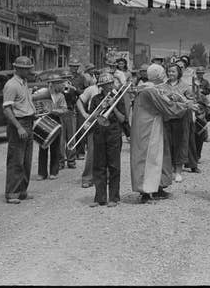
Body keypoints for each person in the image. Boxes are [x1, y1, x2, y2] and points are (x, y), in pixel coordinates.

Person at [130, 64, 197, 203]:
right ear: (158, 75)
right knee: (148, 159)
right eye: (162, 73)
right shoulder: (150, 91)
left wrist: (174, 97)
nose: (164, 75)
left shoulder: (150, 88)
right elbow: (167, 107)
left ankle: (158, 187)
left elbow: (164, 98)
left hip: (153, 127)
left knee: (159, 157)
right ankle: (146, 193)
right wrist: (186, 105)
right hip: (148, 129)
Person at [87, 73, 126, 207]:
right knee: (99, 166)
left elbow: (122, 119)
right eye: (104, 85)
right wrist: (101, 108)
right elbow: (91, 118)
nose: (108, 87)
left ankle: (114, 198)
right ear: (101, 87)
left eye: (109, 84)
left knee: (114, 166)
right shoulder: (96, 99)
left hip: (114, 133)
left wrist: (113, 107)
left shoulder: (119, 98)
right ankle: (100, 198)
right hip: (99, 133)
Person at [2, 56, 37, 204]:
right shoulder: (12, 85)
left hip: (28, 122)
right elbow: (7, 109)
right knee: (16, 159)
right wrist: (18, 127)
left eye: (29, 68)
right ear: (18, 69)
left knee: (26, 161)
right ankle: (12, 192)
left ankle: (22, 190)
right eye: (27, 69)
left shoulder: (24, 83)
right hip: (19, 124)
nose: (29, 71)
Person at [162, 62, 195, 183]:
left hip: (181, 118)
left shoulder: (186, 86)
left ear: (179, 73)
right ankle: (169, 170)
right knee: (168, 143)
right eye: (169, 71)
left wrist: (180, 98)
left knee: (181, 143)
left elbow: (191, 102)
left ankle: (179, 171)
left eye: (173, 71)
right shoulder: (162, 86)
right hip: (167, 118)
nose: (171, 73)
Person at [32, 73, 69, 180]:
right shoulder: (42, 92)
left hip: (55, 120)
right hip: (43, 120)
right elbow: (33, 101)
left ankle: (54, 172)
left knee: (55, 148)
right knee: (43, 147)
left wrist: (53, 110)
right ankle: (42, 173)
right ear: (52, 84)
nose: (62, 85)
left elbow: (65, 109)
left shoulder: (61, 96)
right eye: (59, 83)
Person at [76, 75, 101, 188]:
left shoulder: (113, 89)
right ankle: (87, 177)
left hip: (108, 123)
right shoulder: (92, 89)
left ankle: (104, 176)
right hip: (93, 122)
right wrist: (84, 114)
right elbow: (79, 101)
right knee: (92, 151)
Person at [186, 67, 210, 172]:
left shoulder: (205, 82)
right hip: (188, 111)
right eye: (198, 73)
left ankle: (195, 159)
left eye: (201, 73)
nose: (200, 74)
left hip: (199, 112)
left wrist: (201, 94)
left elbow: (207, 100)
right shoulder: (186, 85)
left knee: (200, 134)